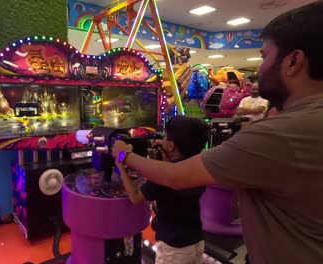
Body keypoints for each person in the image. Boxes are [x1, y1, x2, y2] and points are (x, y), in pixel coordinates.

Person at [112, 2, 323, 263]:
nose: (259, 69)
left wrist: (124, 156)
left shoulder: (282, 133)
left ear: (293, 61)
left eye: (264, 56)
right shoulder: (302, 121)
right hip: (197, 243)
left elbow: (175, 177)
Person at [116, 116, 209, 264]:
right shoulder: (197, 168)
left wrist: (121, 164)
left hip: (173, 249)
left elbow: (135, 197)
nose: (162, 140)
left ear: (171, 145)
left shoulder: (163, 178)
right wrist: (166, 155)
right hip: (196, 242)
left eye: (165, 137)